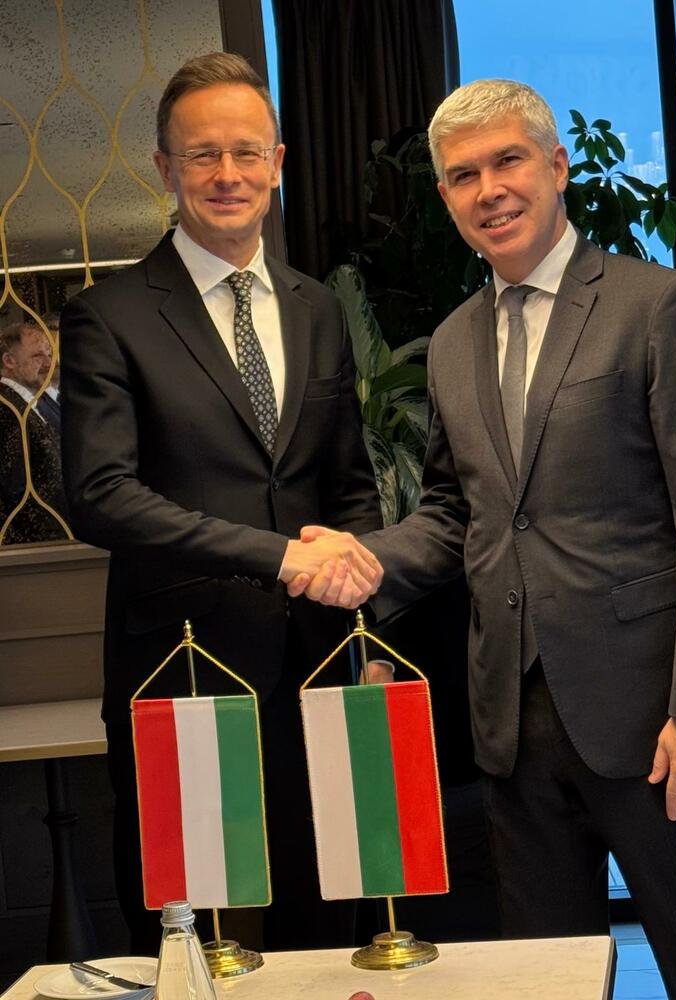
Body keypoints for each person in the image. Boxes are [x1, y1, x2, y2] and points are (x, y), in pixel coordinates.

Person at [292, 80, 676, 998]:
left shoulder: (658, 307)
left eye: (507, 161)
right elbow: (457, 513)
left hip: (658, 723)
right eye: (462, 175)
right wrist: (364, 559)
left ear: (556, 167)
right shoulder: (452, 343)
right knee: (544, 981)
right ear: (447, 196)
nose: (489, 190)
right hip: (513, 727)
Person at [59, 52, 383, 953]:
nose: (227, 174)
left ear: (277, 163)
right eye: (203, 154)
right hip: (183, 670)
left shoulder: (317, 309)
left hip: (320, 666)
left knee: (331, 922)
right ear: (166, 169)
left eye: (246, 152)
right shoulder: (111, 315)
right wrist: (281, 557)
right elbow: (101, 497)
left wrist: (365, 619)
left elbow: (348, 484)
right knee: (189, 932)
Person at [0, 322, 66, 541]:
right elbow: (15, 490)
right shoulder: (7, 411)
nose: (49, 363)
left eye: (49, 354)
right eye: (38, 356)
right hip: (39, 543)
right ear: (9, 361)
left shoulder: (30, 403)